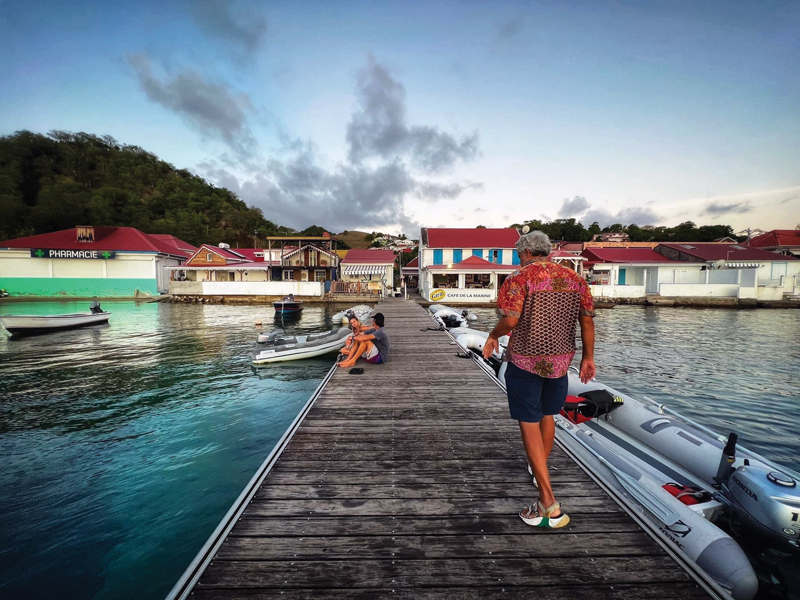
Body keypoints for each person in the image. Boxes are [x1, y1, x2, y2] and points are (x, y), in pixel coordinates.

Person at [483, 230, 595, 530]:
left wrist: (493, 336)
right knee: (548, 416)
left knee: (529, 421)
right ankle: (539, 469)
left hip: (526, 361)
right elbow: (586, 320)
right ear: (548, 251)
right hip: (560, 362)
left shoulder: (518, 279)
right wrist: (588, 358)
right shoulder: (576, 279)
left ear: (524, 252)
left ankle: (548, 502)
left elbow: (510, 320)